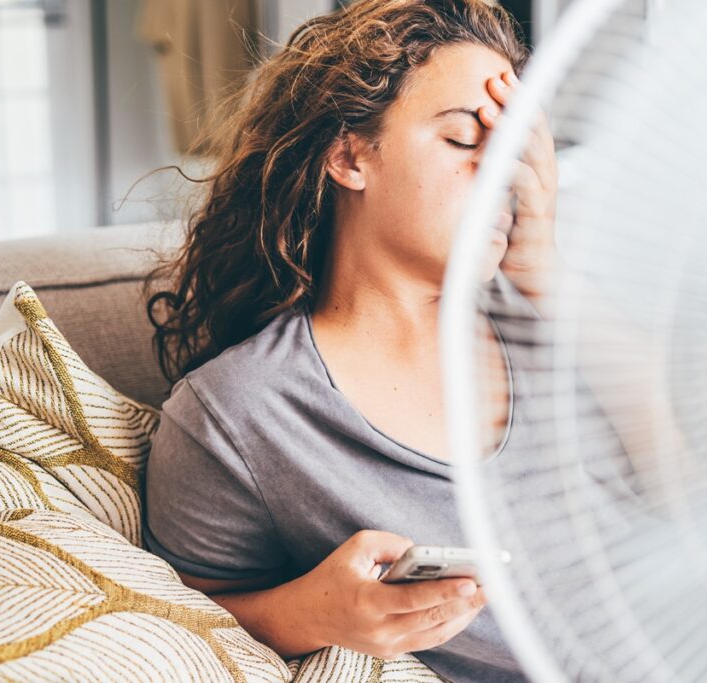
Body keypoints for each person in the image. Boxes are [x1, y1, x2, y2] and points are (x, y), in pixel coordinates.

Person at [143, 1, 557, 680]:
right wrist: (305, 613)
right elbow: (175, 619)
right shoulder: (240, 413)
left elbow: (695, 483)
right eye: (461, 140)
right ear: (348, 155)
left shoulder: (553, 328)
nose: (503, 174)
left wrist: (548, 278)